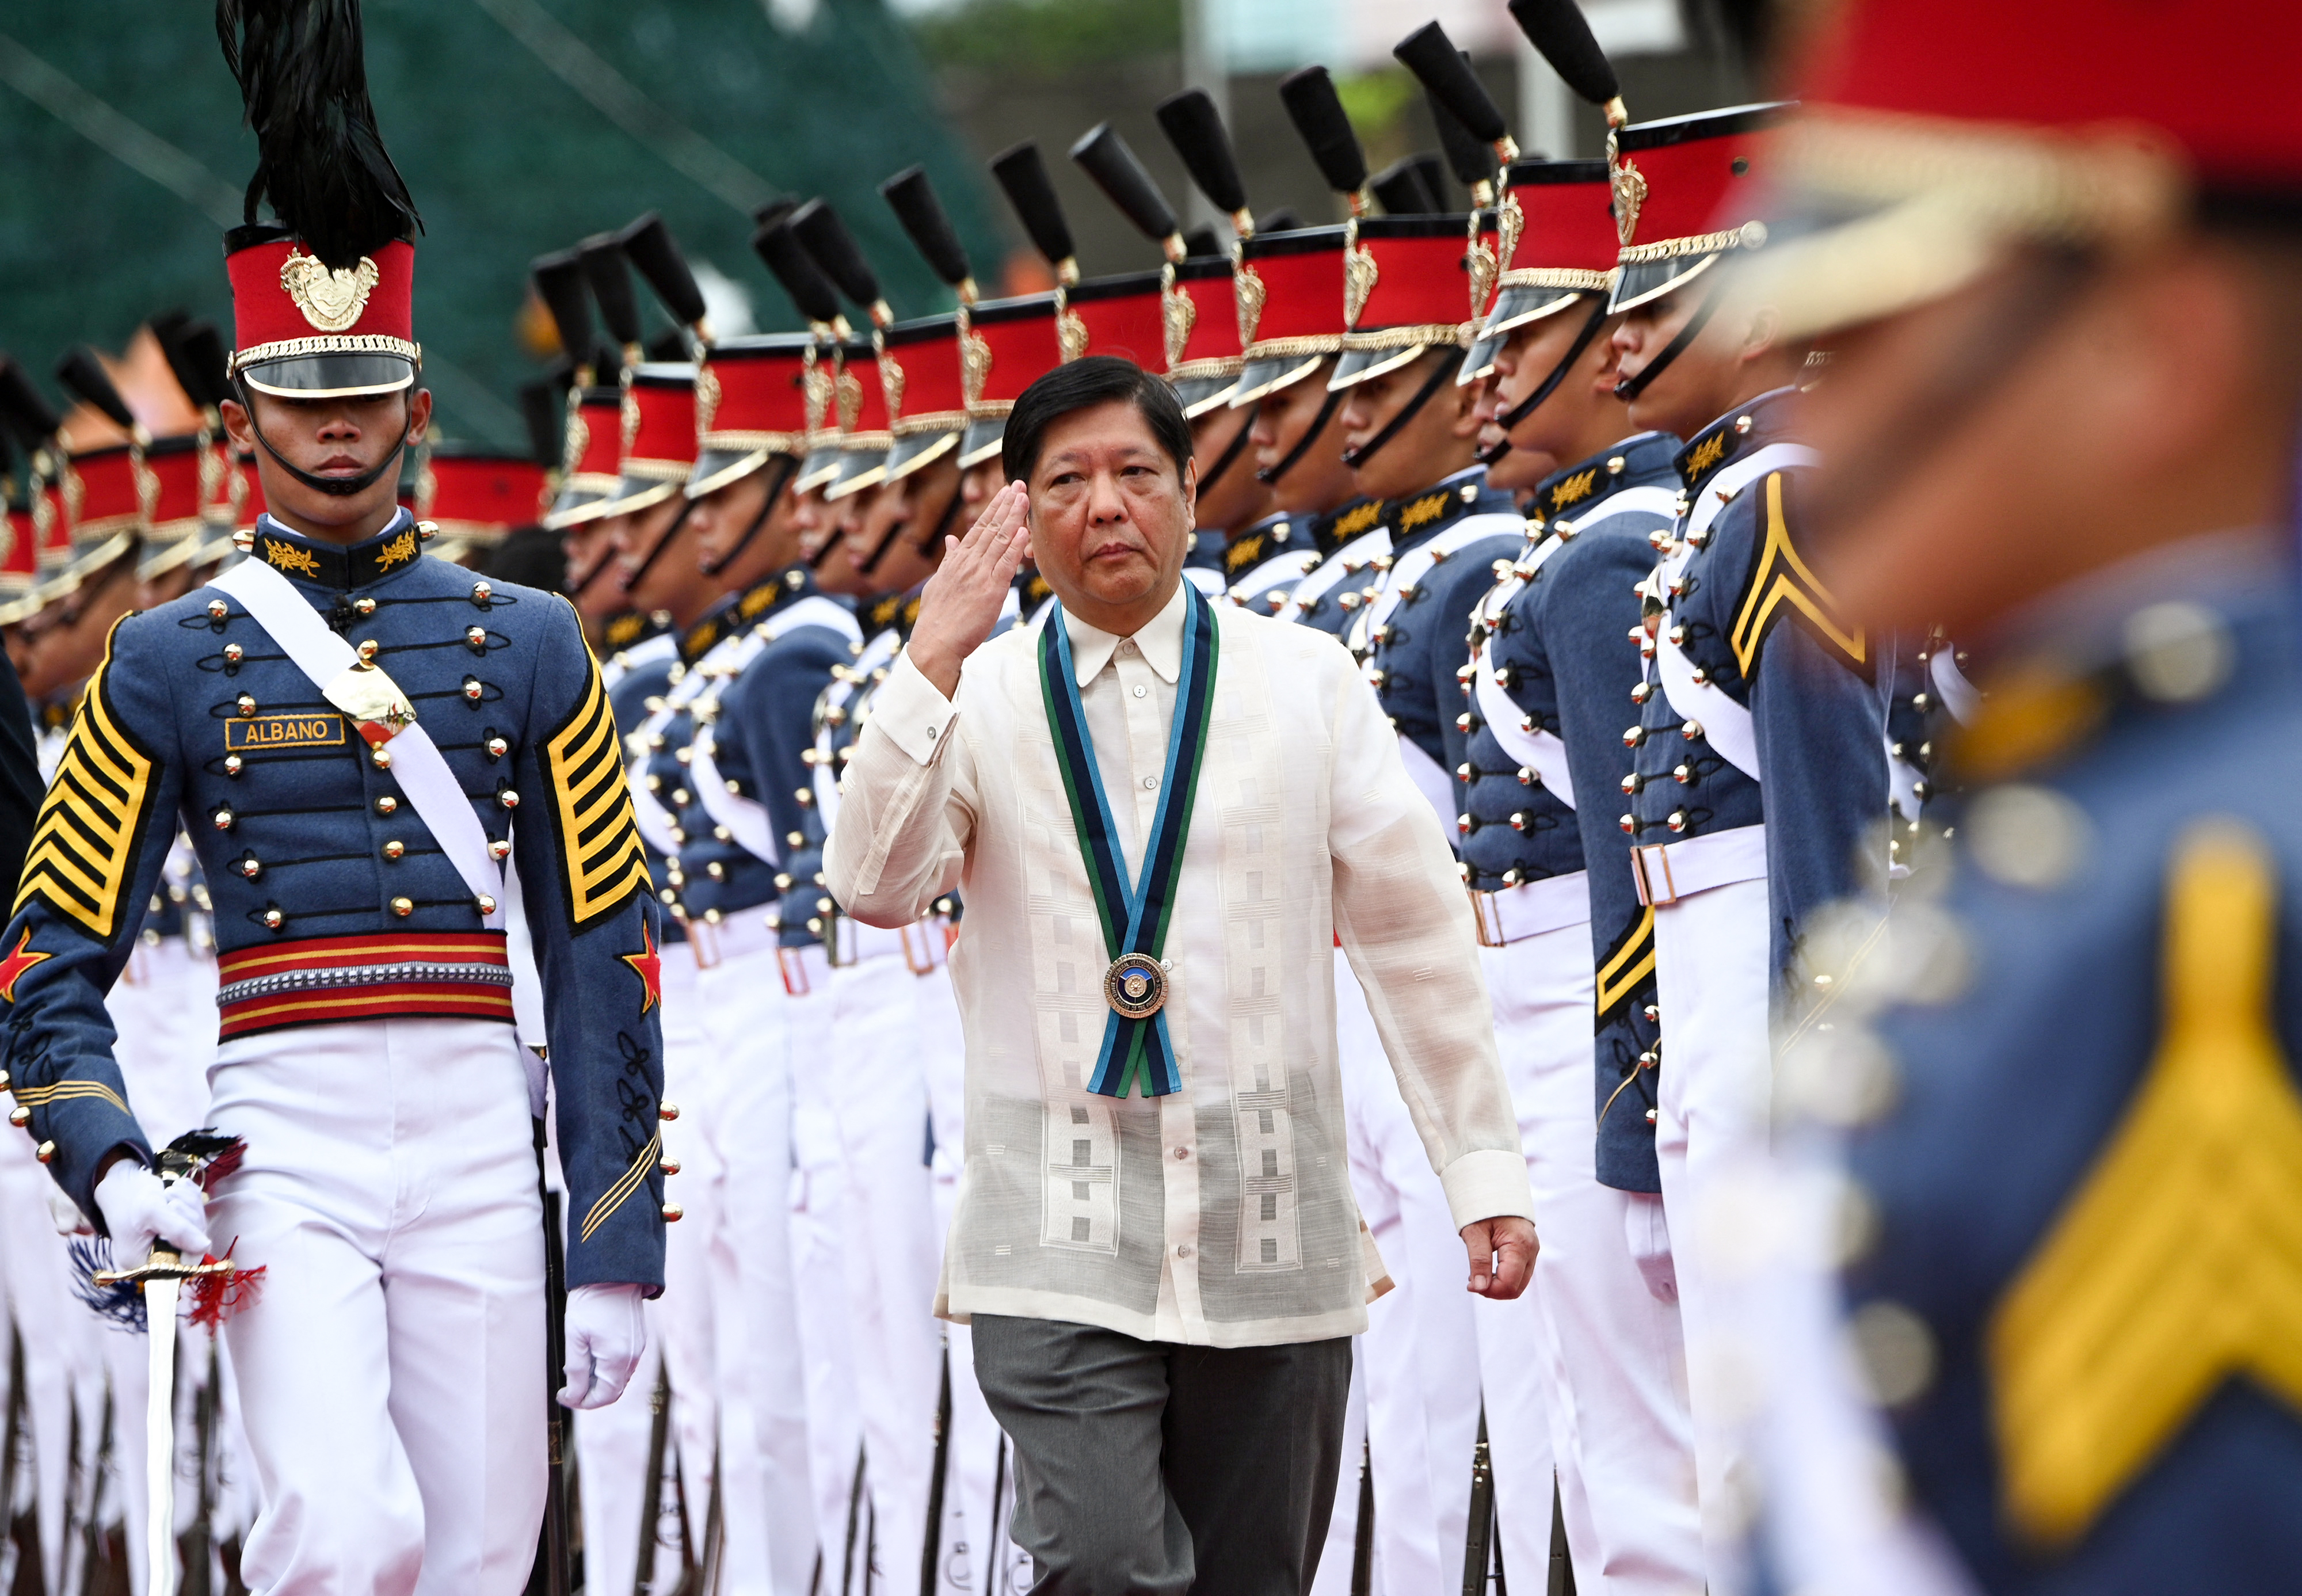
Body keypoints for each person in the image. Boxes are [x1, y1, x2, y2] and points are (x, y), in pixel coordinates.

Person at [0, 6, 666, 1587]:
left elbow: (604, 952)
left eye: (366, 383)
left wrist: (618, 1244)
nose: (339, 417)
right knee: (337, 1529)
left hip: (479, 1138)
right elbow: (44, 957)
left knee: (485, 1551)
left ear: (419, 400)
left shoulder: (534, 641)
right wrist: (107, 1159)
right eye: (302, 391)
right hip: (281, 1134)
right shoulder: (166, 660)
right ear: (243, 417)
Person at [1712, 3, 2302, 1593]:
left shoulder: (2214, 918)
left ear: (2157, 351)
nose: (1788, 415)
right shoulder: (2116, 834)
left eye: (1869, 338)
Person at [822, 353, 1534, 1595]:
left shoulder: (1301, 681)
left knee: (1250, 1577)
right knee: (1103, 1561)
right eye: (1067, 481)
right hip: (1055, 1225)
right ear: (1017, 514)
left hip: (1265, 1226)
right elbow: (874, 884)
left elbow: (1415, 937)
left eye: (1136, 474)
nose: (1106, 506)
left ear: (1191, 494)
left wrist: (1477, 1169)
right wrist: (930, 650)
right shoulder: (973, 697)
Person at [1459, 150, 1708, 1594]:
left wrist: (1631, 1113)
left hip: (1590, 1017)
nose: (1477, 384)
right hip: (1536, 1011)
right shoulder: (1578, 550)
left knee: (1640, 1446)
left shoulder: (1614, 557)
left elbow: (1631, 864)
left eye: (1515, 344)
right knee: (1581, 1427)